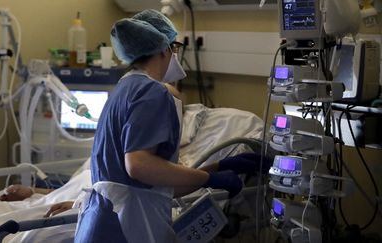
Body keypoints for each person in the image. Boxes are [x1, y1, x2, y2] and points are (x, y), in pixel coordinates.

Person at [74, 9, 268, 243]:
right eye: (175, 47)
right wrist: (209, 181)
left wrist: (217, 168)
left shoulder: (124, 89)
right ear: (165, 48)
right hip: (127, 226)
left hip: (106, 221)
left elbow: (153, 185)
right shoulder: (152, 92)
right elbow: (139, 166)